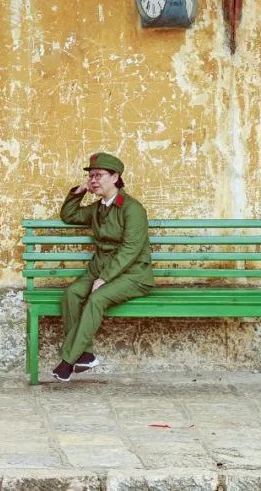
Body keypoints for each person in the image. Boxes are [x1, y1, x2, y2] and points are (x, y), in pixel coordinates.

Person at [52, 152, 154, 382]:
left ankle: (67, 362)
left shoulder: (132, 209)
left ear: (115, 177)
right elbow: (69, 215)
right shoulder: (98, 208)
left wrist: (104, 279)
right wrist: (77, 193)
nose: (93, 180)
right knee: (72, 294)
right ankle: (85, 354)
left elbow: (131, 249)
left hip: (133, 274)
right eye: (91, 176)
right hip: (102, 270)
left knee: (96, 299)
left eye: (98, 175)